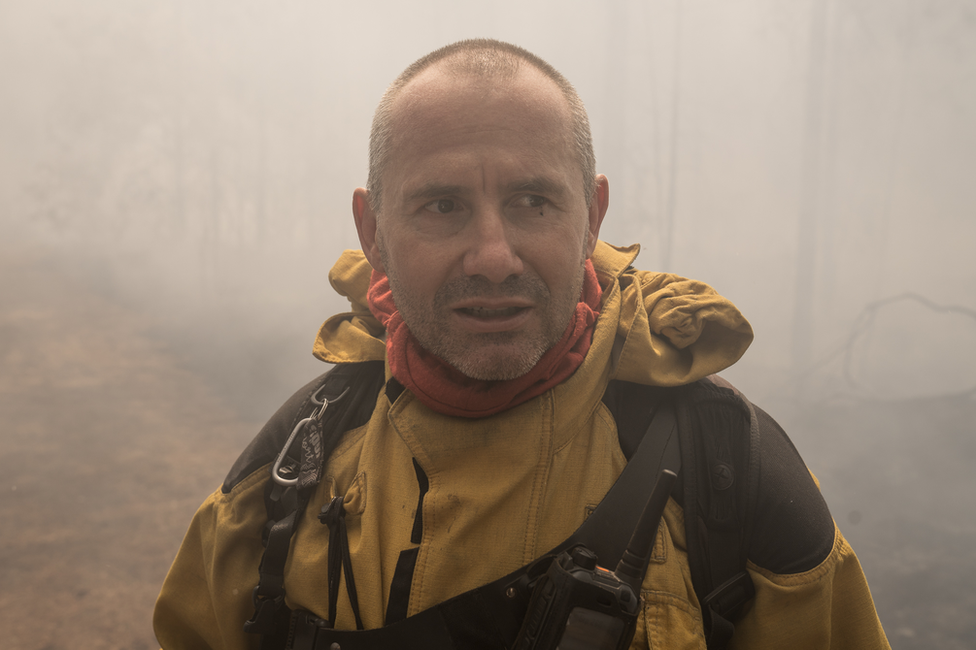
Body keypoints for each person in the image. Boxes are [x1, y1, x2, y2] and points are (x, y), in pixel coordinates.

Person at [154, 39, 891, 649]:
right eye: (443, 205)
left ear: (592, 216)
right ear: (372, 233)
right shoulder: (288, 475)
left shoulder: (730, 471)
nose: (493, 256)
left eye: (532, 202)